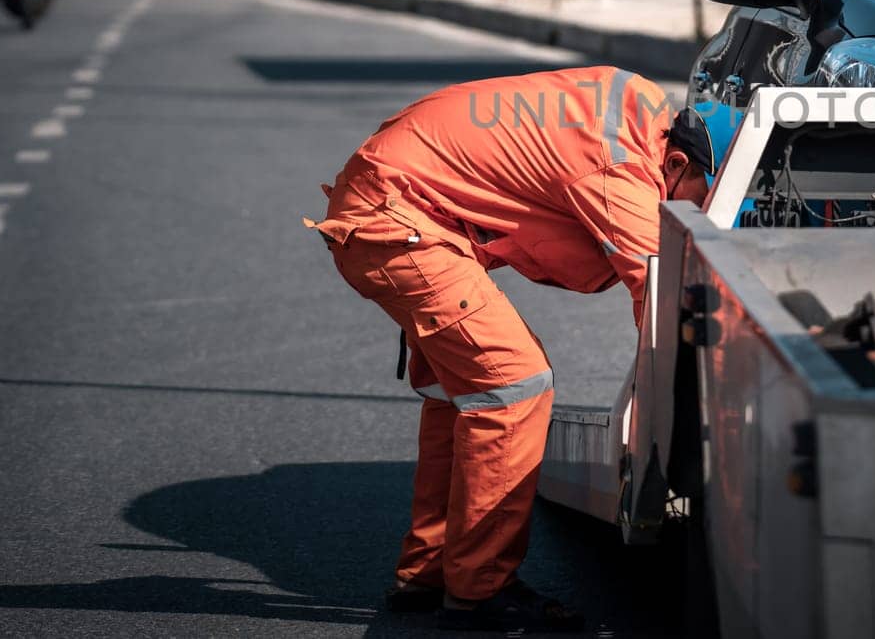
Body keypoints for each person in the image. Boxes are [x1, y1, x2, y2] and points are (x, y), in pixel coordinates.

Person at [305, 67, 742, 632]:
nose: (700, 218)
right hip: (398, 220)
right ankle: (480, 591)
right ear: (678, 165)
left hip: (392, 200)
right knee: (512, 386)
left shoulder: (637, 113)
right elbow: (661, 298)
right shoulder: (620, 168)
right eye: (702, 202)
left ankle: (430, 572)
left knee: (458, 396)